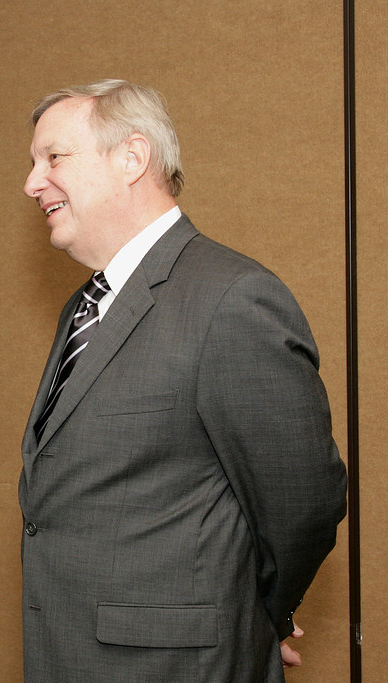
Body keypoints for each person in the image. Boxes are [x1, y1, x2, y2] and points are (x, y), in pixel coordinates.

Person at [19, 79, 346, 681]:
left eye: (53, 158)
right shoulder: (84, 306)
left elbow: (303, 503)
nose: (32, 182)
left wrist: (253, 620)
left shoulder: (231, 299)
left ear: (132, 159)